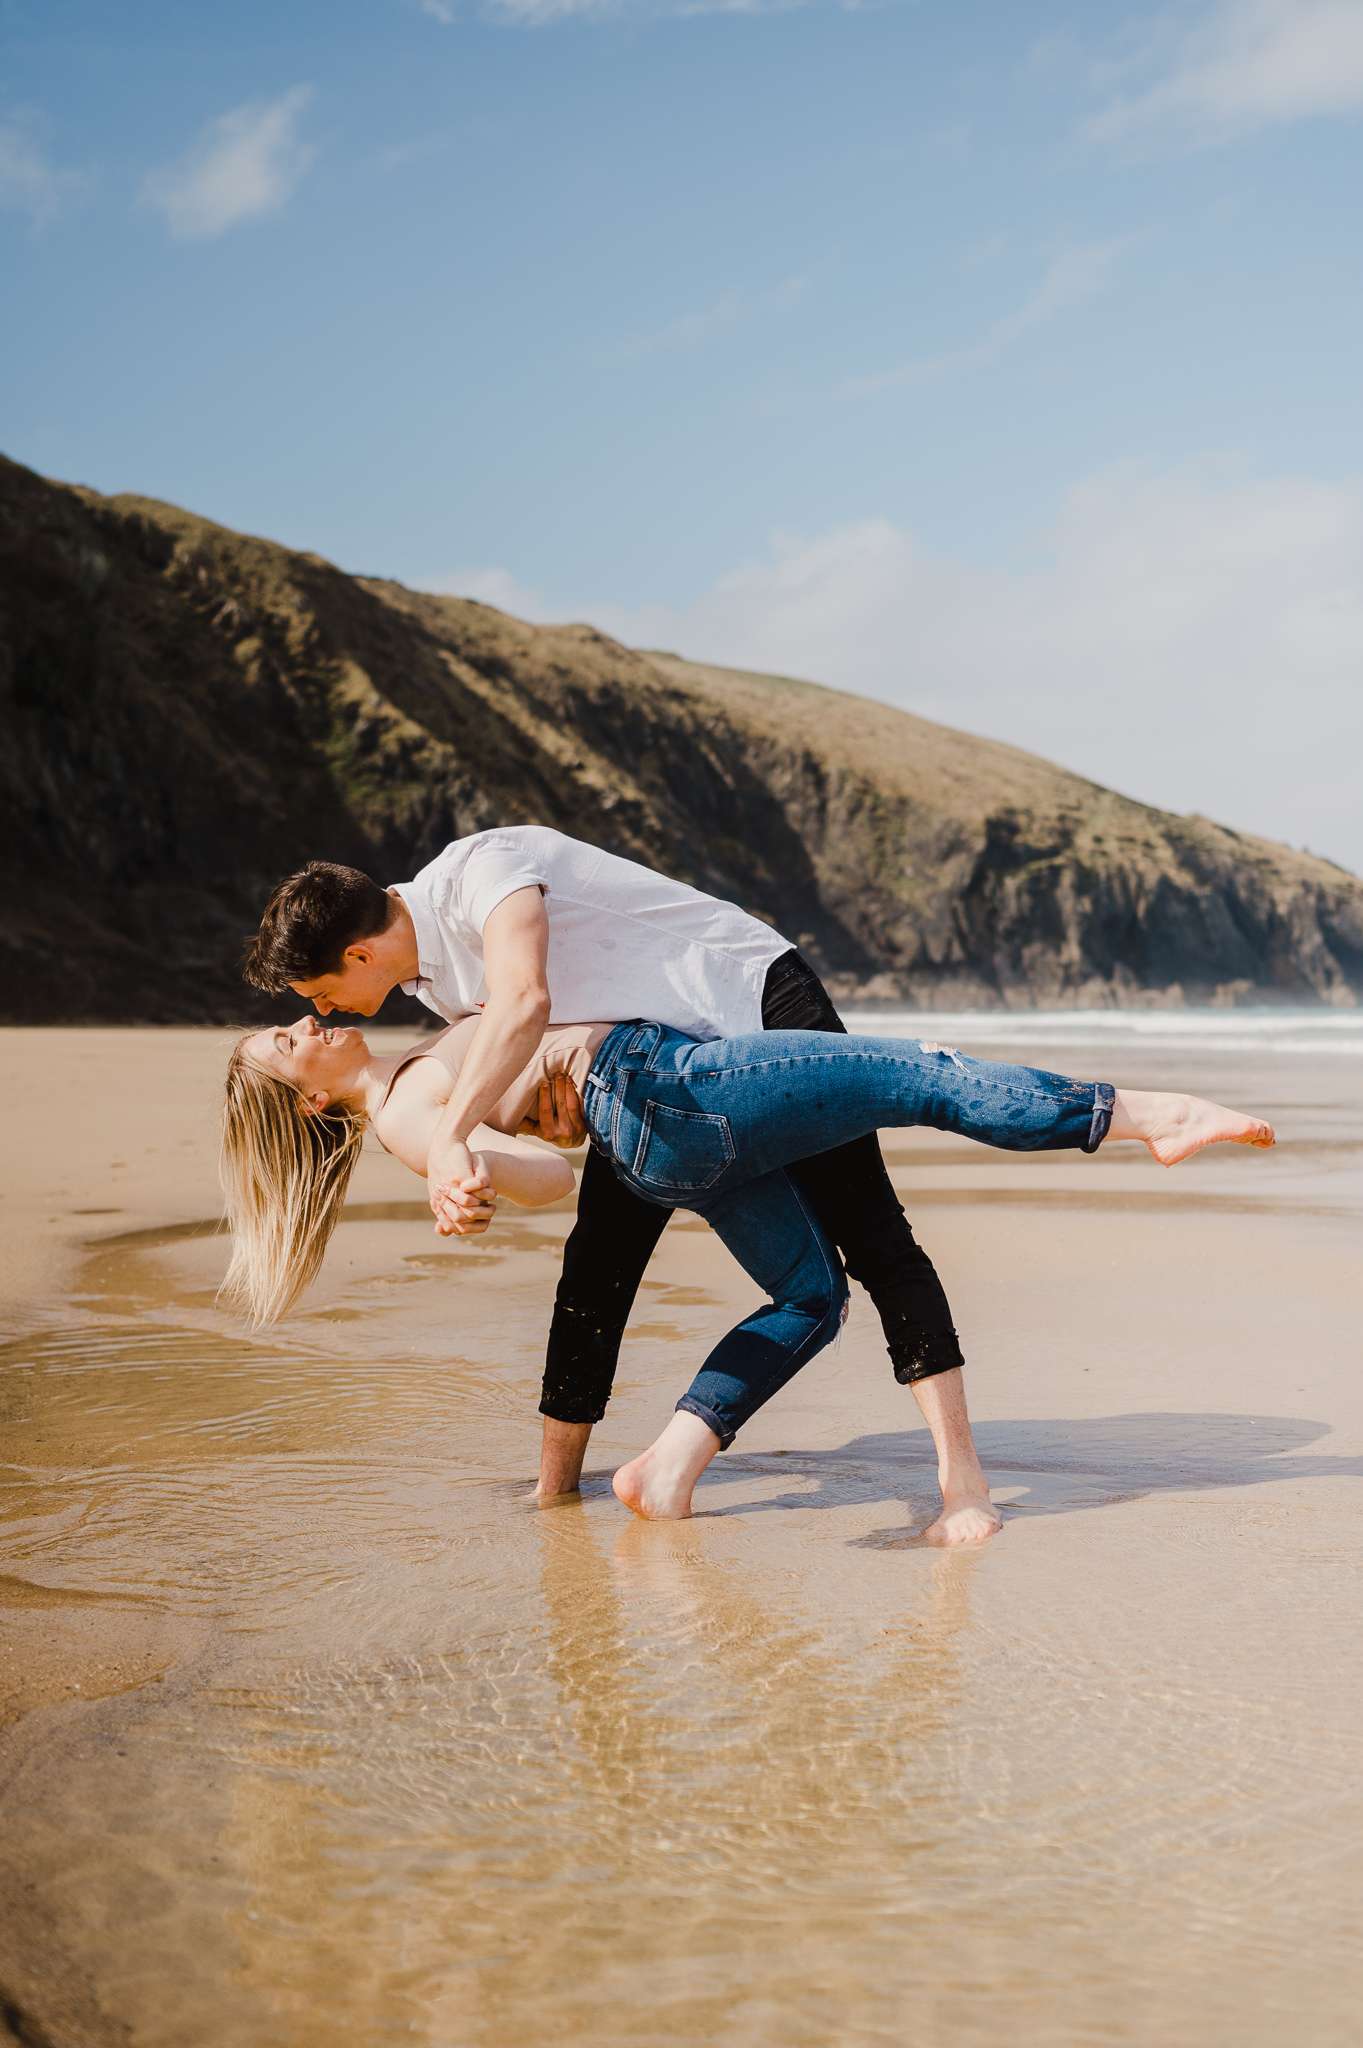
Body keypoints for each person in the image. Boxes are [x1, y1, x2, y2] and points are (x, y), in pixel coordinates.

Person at [219, 1006, 1274, 1533]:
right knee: (918, 1076)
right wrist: (459, 1165)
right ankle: (1145, 1117)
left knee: (811, 1295)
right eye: (286, 1039)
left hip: (653, 1142)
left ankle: (669, 1464)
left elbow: (546, 1172)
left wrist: (473, 1163)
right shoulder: (405, 1107)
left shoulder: (413, 1082)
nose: (308, 1021)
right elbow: (532, 1169)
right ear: (310, 1100)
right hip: (666, 1090)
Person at [242, 830, 993, 1543]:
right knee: (597, 1261)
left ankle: (962, 1486)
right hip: (655, 1068)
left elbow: (525, 1002)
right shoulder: (431, 987)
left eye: (321, 992)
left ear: (358, 953)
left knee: (870, 1232)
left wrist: (451, 1139)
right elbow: (548, 1062)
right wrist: (557, 1113)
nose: (320, 1012)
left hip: (752, 1003)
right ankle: (554, 1490)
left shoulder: (481, 872)